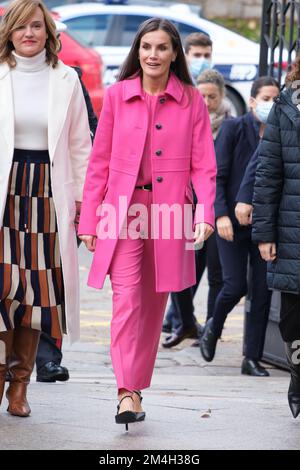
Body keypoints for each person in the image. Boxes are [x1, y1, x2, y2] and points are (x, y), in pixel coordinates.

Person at [78, 17, 216, 430]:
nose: (153, 55)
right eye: (146, 47)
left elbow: (204, 166)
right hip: (122, 212)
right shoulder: (119, 95)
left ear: (175, 53)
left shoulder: (192, 100)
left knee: (154, 306)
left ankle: (136, 386)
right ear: (137, 52)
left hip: (169, 215)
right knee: (126, 301)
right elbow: (99, 162)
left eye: (161, 48)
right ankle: (126, 391)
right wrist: (89, 219)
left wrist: (205, 212)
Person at [0, 0, 91, 417]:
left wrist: (84, 207)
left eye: (37, 26)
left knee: (35, 295)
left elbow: (79, 147)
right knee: (2, 289)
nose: (29, 33)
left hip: (47, 194)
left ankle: (20, 386)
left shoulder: (66, 78)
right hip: (4, 190)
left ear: (49, 31)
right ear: (9, 32)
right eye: (21, 27)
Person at [199, 76, 280, 376]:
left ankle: (252, 358)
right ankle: (213, 326)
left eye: (275, 98)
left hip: (263, 226)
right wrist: (220, 215)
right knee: (235, 285)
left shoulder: (279, 131)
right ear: (252, 101)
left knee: (262, 291)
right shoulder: (235, 128)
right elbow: (216, 175)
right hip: (230, 223)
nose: (270, 104)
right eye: (266, 98)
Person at [35, 64, 98, 384]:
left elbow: (86, 136)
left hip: (56, 194)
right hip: (11, 190)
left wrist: (86, 198)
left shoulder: (67, 79)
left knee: (52, 278)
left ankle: (47, 359)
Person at [162, 69, 227, 349]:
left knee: (214, 273)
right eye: (202, 95)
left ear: (222, 97)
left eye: (213, 97)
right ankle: (184, 322)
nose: (207, 101)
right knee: (181, 269)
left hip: (214, 206)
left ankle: (209, 328)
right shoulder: (183, 120)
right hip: (184, 205)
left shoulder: (230, 126)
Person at [252, 63, 300, 417]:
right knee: (293, 318)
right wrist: (265, 233)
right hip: (293, 228)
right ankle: (298, 372)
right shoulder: (287, 105)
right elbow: (269, 172)